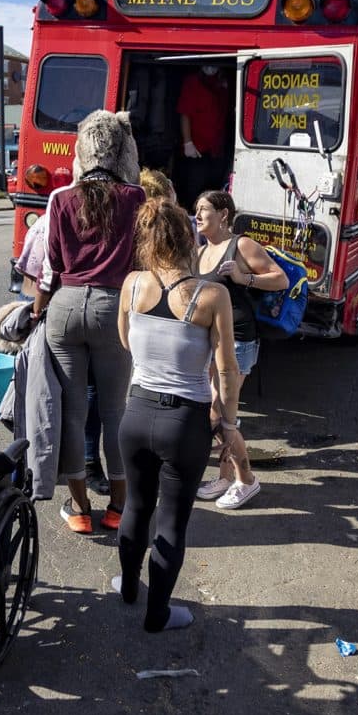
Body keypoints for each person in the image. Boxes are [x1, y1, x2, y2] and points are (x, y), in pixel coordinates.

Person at [112, 200, 243, 632]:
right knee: (171, 520)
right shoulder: (211, 295)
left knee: (136, 504)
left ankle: (129, 586)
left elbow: (127, 342)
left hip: (136, 412)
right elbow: (227, 370)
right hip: (184, 422)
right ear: (188, 238)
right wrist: (229, 426)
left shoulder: (132, 284)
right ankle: (157, 614)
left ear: (146, 239)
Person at [37, 110, 145, 535]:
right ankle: (118, 506)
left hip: (64, 306)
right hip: (112, 308)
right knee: (116, 411)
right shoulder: (135, 197)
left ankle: (79, 508)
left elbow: (51, 265)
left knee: (72, 411)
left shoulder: (60, 198)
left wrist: (35, 311)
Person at [192, 191, 288, 510]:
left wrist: (243, 277)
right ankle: (223, 476)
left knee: (219, 415)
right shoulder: (202, 250)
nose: (197, 215)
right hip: (209, 340)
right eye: (196, 210)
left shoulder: (241, 245)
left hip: (238, 340)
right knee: (215, 410)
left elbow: (280, 279)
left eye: (203, 209)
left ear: (223, 214)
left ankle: (247, 481)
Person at [17, 182, 106, 496]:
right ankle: (91, 467)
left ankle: (74, 491)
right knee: (91, 398)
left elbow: (37, 272)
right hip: (94, 315)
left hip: (58, 314)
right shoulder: (116, 215)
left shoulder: (52, 215)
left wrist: (37, 311)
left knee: (59, 399)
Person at [175, 62, 231, 203]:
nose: (210, 68)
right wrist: (188, 142)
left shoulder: (223, 83)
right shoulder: (192, 82)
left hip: (216, 151)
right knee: (193, 195)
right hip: (197, 151)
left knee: (213, 195)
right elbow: (184, 113)